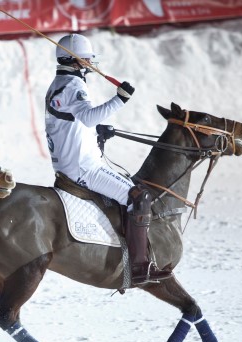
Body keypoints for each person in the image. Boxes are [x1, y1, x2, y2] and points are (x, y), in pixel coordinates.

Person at [45, 34, 172, 286]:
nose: (92, 65)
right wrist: (120, 99)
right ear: (76, 60)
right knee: (139, 197)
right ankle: (139, 266)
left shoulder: (59, 82)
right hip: (83, 168)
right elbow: (88, 117)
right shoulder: (74, 86)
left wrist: (97, 132)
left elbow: (77, 122)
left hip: (69, 162)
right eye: (88, 60)